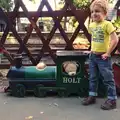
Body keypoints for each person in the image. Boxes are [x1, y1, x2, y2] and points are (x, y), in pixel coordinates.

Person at [82, 0, 119, 110]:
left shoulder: (107, 24)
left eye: (97, 11)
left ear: (105, 13)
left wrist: (108, 53)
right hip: (93, 56)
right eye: (92, 11)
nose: (94, 14)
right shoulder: (92, 25)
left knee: (108, 78)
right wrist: (92, 50)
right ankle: (92, 96)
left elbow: (115, 40)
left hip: (103, 57)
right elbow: (94, 39)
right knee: (93, 77)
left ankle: (112, 99)